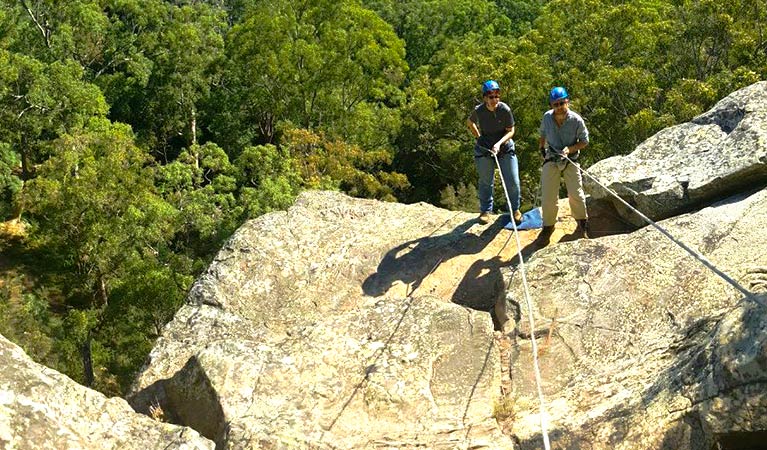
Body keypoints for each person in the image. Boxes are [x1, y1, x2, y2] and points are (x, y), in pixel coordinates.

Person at [466, 80, 522, 225]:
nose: (495, 100)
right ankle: (485, 211)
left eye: (497, 96)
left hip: (504, 148)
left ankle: (515, 209)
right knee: (486, 181)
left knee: (513, 181)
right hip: (485, 149)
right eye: (491, 97)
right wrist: (479, 137)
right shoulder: (479, 110)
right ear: (485, 98)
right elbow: (470, 122)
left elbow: (511, 131)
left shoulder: (505, 110)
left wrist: (499, 143)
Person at [538, 86, 590, 241]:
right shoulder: (547, 117)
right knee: (548, 195)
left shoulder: (576, 120)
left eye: (562, 103)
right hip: (552, 158)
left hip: (570, 159)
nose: (559, 107)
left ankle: (582, 223)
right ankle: (548, 226)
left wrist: (569, 149)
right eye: (556, 104)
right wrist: (541, 148)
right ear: (551, 105)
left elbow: (584, 141)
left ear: (568, 102)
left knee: (576, 194)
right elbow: (543, 134)